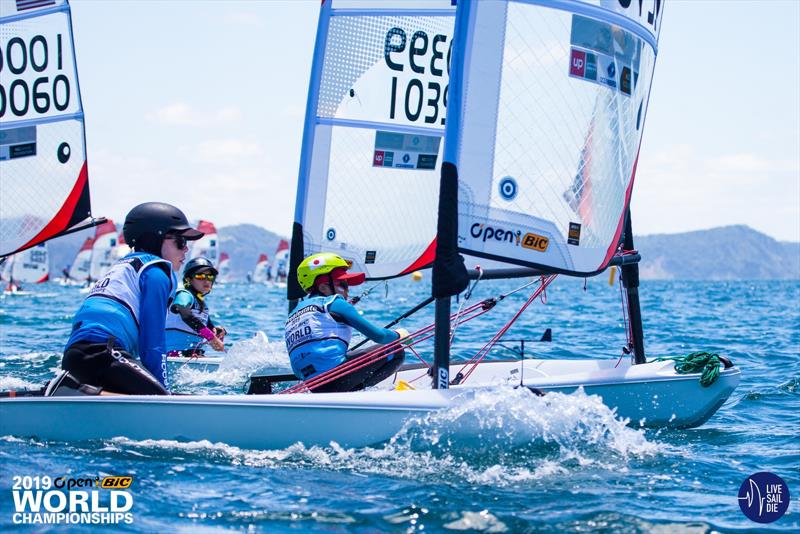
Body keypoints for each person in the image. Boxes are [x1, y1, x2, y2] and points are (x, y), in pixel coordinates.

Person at [50, 202, 203, 396]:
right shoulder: (156, 273)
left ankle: (79, 389)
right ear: (154, 239)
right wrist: (164, 394)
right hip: (104, 353)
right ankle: (72, 389)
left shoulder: (125, 266)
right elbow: (152, 343)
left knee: (144, 394)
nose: (186, 250)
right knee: (157, 398)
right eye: (181, 241)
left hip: (78, 356)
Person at [285, 252, 408, 393]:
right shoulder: (335, 302)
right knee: (397, 350)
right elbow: (379, 336)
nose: (347, 291)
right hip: (337, 379)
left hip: (313, 385)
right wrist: (399, 334)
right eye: (343, 284)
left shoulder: (293, 313)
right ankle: (356, 395)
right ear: (323, 287)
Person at [164, 257, 226, 356]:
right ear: (189, 279)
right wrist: (211, 337)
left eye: (210, 277)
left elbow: (206, 328)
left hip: (191, 356)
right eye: (200, 276)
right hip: (173, 355)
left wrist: (217, 332)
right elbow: (182, 310)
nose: (206, 281)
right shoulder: (185, 295)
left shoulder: (202, 306)